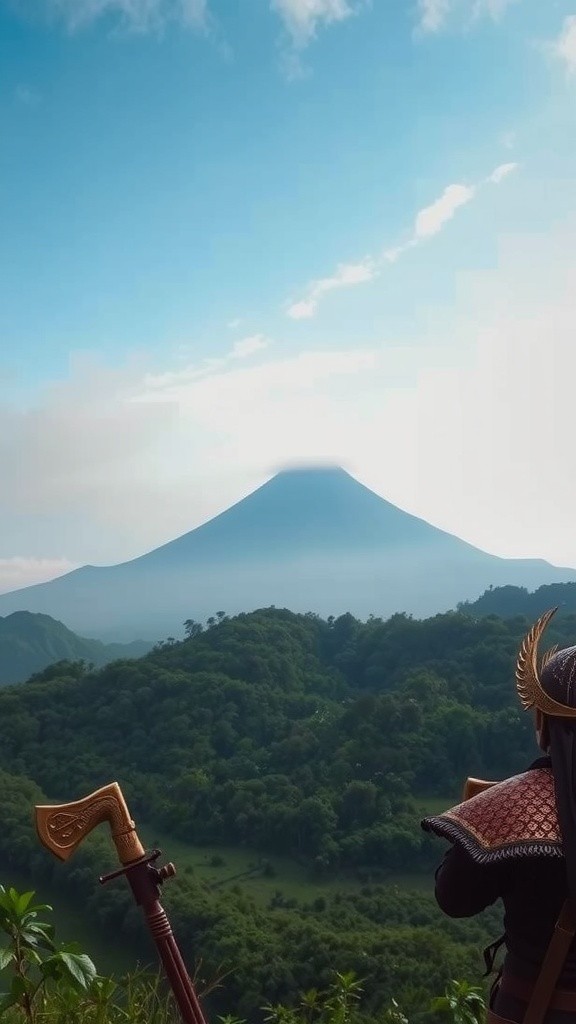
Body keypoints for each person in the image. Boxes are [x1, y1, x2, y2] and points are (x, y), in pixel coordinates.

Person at [421, 608, 576, 1024]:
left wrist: (475, 829)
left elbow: (453, 899)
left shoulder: (510, 808)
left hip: (533, 1011)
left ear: (543, 721)